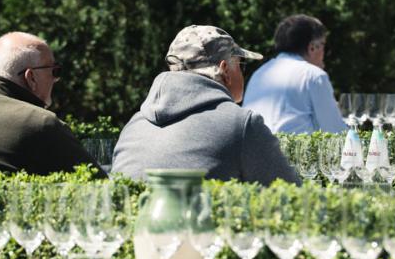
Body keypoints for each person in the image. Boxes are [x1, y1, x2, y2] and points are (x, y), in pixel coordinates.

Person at [112, 25, 301, 184]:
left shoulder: (134, 125)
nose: (243, 73)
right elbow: (291, 193)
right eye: (241, 65)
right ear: (225, 70)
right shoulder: (241, 124)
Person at [0, 31, 100, 174]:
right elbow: (101, 185)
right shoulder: (40, 123)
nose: (56, 79)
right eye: (55, 71)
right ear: (31, 78)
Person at [242, 14, 347, 134]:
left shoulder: (259, 73)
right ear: (312, 47)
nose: (324, 52)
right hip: (287, 146)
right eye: (324, 45)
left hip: (249, 145)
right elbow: (336, 131)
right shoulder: (313, 75)